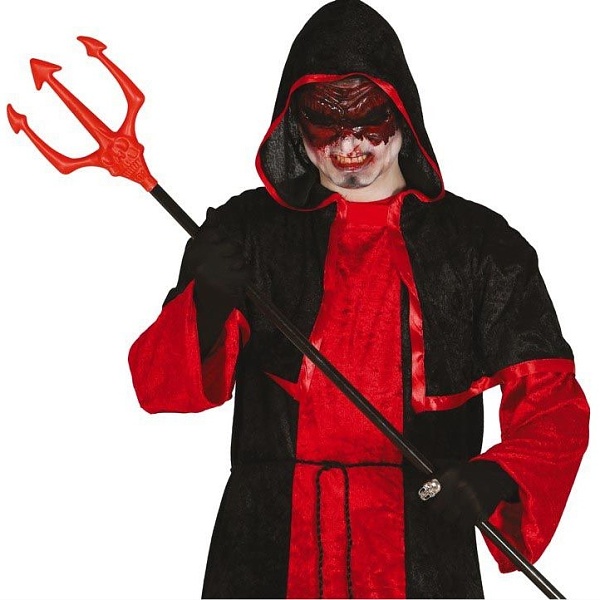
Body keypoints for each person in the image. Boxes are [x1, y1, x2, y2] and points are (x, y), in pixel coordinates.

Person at [128, 0, 590, 597]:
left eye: (369, 119)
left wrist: (500, 474)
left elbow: (553, 402)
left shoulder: (480, 248)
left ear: (402, 111)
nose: (349, 143)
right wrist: (208, 301)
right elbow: (162, 389)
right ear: (293, 120)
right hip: (270, 547)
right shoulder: (246, 234)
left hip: (421, 545)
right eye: (324, 120)